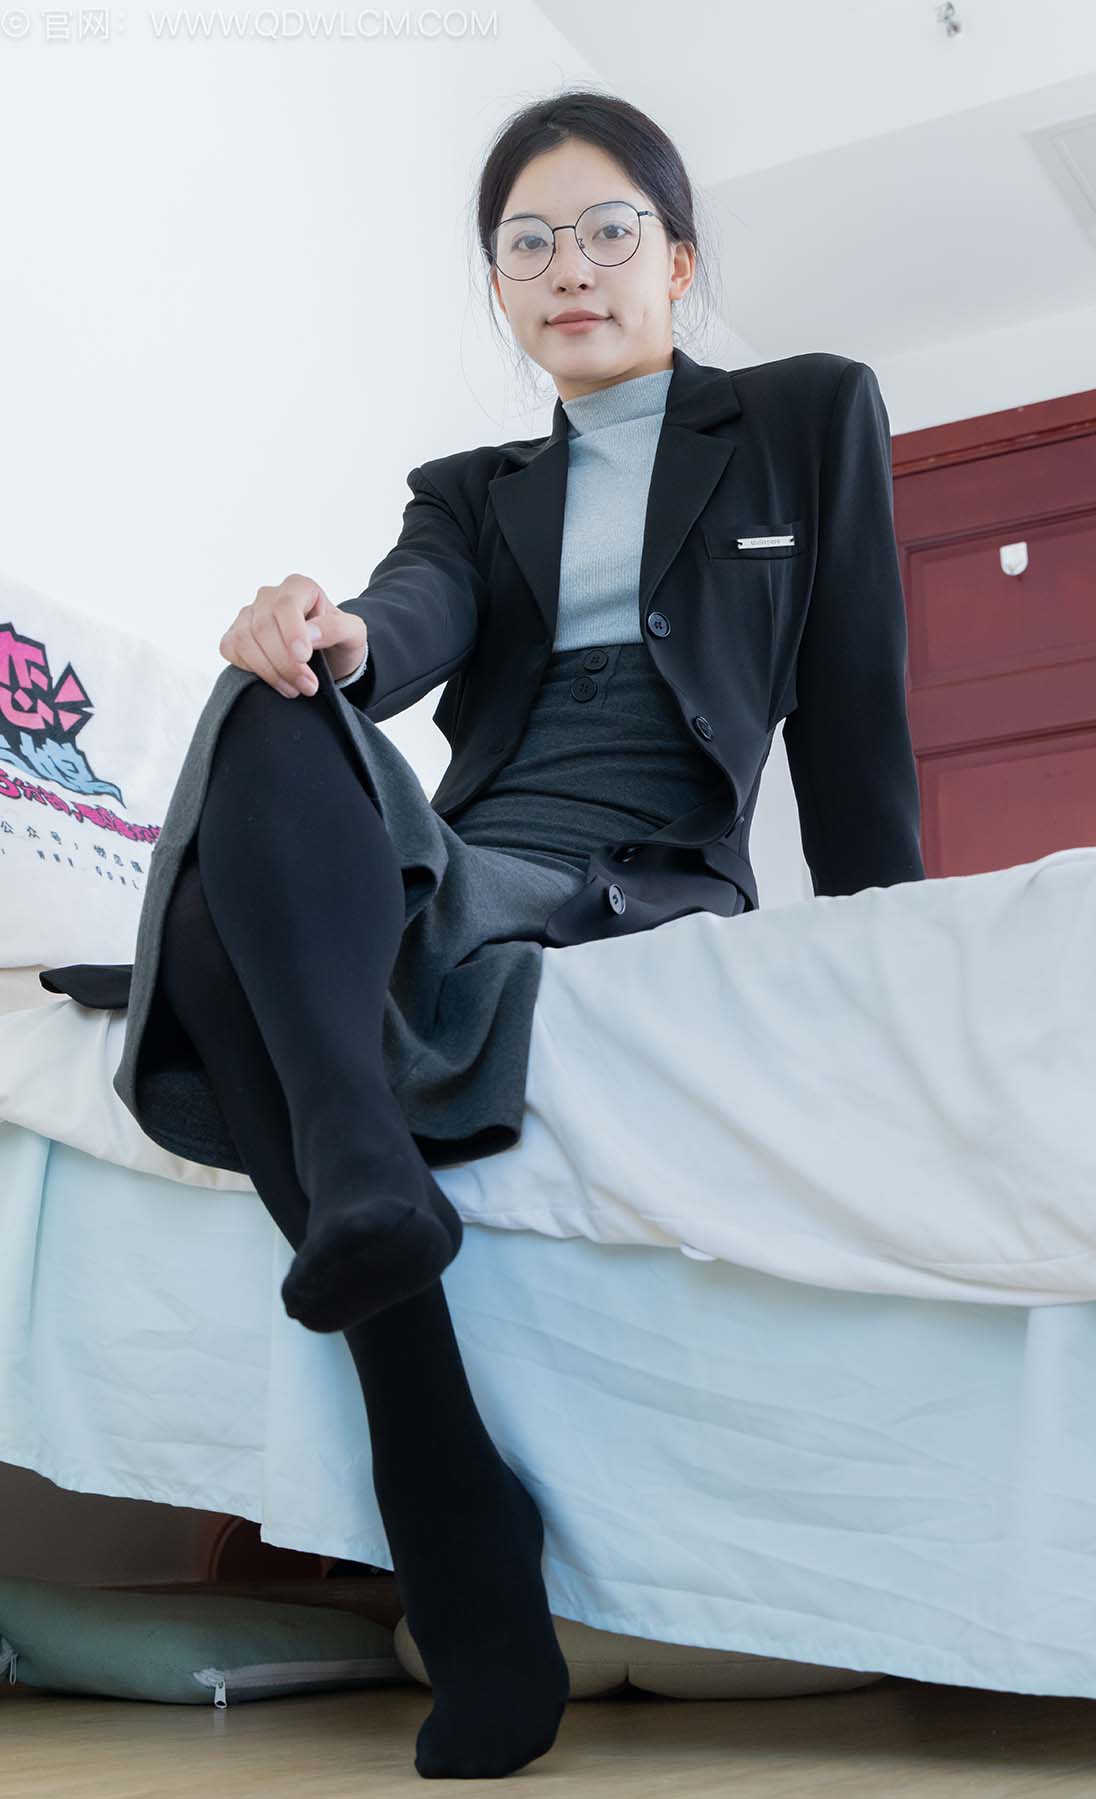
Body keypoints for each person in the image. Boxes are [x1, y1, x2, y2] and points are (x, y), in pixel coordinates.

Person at [39, 86, 924, 1781]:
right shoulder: (468, 488)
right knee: (266, 704)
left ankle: (436, 1481)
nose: (567, 268)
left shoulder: (806, 414)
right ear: (499, 285)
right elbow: (413, 616)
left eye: (606, 231)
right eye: (526, 244)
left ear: (676, 260)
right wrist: (331, 633)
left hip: (646, 869)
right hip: (475, 852)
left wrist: (894, 958)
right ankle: (378, 1213)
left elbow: (856, 716)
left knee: (218, 930)